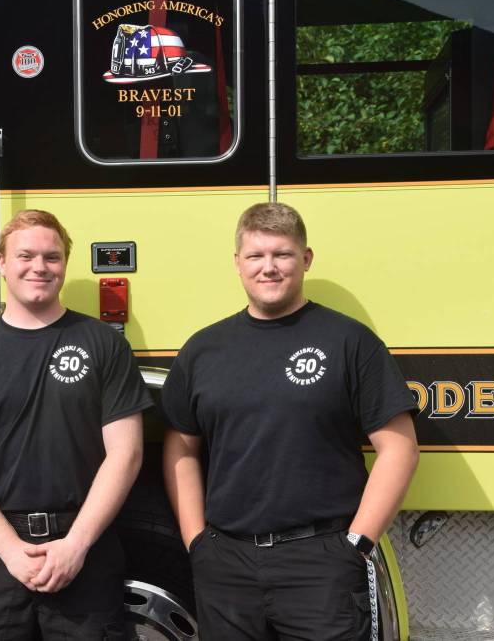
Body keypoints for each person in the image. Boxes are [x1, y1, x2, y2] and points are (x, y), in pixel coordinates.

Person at [161, 202, 419, 640]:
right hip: (226, 564)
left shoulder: (349, 341)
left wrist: (357, 544)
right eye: (256, 256)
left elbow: (399, 448)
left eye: (282, 254)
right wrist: (197, 542)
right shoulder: (203, 350)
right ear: (237, 263)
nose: (269, 268)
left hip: (321, 563)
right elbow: (180, 447)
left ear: (306, 259)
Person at [0, 209, 151, 640]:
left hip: (84, 547)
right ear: (2, 263)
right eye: (26, 255)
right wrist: (10, 551)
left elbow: (127, 452)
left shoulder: (103, 345)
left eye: (52, 257)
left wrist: (76, 545)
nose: (39, 267)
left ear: (65, 263)